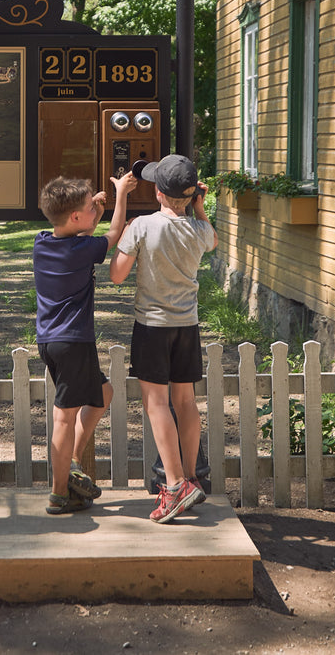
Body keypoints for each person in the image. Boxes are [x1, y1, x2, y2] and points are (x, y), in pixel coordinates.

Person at [109, 154, 217, 524]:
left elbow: (117, 275)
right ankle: (189, 477)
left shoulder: (141, 226)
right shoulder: (200, 230)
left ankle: (173, 487)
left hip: (152, 326)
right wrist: (199, 209)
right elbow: (213, 240)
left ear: (157, 192)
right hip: (187, 326)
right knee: (185, 402)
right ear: (190, 196)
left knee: (157, 404)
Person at [33, 170, 135, 515]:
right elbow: (115, 235)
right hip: (73, 341)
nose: (95, 209)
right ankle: (59, 493)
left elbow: (84, 233)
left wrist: (94, 210)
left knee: (103, 394)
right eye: (88, 208)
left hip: (50, 340)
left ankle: (72, 463)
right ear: (75, 217)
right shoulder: (84, 247)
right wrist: (121, 194)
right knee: (63, 418)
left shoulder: (42, 241)